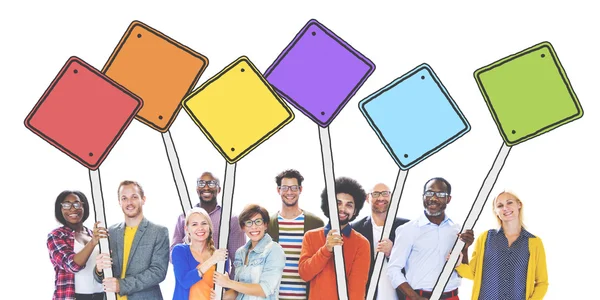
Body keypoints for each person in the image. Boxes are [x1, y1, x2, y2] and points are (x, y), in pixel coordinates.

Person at [387, 177, 473, 300]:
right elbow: (393, 269)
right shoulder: (408, 230)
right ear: (423, 197)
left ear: (448, 199)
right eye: (429, 193)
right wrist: (414, 297)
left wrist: (465, 249)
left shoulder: (456, 230)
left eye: (440, 194)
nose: (433, 198)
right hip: (418, 297)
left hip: (452, 297)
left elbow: (462, 271)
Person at [455, 190, 549, 299]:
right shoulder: (485, 238)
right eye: (500, 205)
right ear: (496, 211)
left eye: (509, 203)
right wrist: (457, 264)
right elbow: (473, 273)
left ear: (519, 205)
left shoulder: (534, 242)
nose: (505, 208)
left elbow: (542, 283)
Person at [94, 180, 170, 300]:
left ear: (143, 199)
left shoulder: (159, 232)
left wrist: (122, 285)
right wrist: (99, 269)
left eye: (134, 197)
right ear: (119, 202)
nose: (129, 202)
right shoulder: (111, 232)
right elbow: (101, 278)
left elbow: (158, 272)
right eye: (124, 198)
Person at [298, 177, 371, 300]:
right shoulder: (311, 236)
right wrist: (326, 250)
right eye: (338, 203)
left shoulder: (361, 243)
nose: (342, 209)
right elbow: (305, 274)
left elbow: (357, 289)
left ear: (355, 211)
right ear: (328, 205)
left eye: (349, 205)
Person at [171, 172, 246, 279]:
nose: (206, 187)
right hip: (189, 284)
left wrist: (230, 289)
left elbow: (239, 259)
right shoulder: (183, 217)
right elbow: (172, 254)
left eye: (211, 183)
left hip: (217, 285)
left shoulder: (231, 219)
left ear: (219, 189)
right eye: (201, 184)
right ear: (197, 189)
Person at [267, 169, 324, 300]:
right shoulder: (268, 225)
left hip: (307, 296)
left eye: (294, 187)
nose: (289, 192)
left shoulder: (315, 223)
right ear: (278, 190)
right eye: (285, 187)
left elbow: (322, 263)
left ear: (300, 189)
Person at [214, 204, 285, 300]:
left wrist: (228, 283)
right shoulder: (240, 252)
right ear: (243, 227)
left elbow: (265, 290)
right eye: (249, 222)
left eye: (258, 221)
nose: (254, 227)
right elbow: (237, 290)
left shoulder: (274, 250)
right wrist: (219, 296)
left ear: (265, 225)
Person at [353, 182, 409, 300]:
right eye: (375, 194)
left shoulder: (407, 227)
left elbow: (416, 263)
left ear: (391, 197)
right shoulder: (355, 229)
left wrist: (392, 253)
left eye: (385, 193)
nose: (381, 198)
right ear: (367, 198)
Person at [47, 190, 106, 300]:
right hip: (73, 297)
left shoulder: (93, 234)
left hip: (100, 296)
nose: (73, 208)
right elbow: (72, 265)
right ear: (60, 209)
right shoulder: (56, 236)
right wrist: (92, 242)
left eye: (77, 203)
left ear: (84, 207)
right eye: (66, 204)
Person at [172, 207, 229, 300]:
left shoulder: (220, 256)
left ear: (209, 228)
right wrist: (212, 260)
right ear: (187, 229)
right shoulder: (180, 251)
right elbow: (185, 281)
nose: (200, 228)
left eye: (204, 223)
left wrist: (223, 293)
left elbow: (227, 289)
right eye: (194, 224)